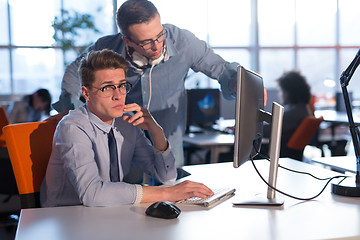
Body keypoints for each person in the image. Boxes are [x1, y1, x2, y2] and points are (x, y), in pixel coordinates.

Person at [52, 0, 239, 167]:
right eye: (146, 42)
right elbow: (74, 71)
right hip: (123, 137)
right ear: (127, 41)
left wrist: (239, 84)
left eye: (159, 35)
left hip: (169, 136)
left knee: (171, 190)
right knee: (126, 195)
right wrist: (74, 111)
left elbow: (220, 68)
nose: (157, 46)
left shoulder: (183, 42)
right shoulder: (107, 47)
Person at [40, 49, 214, 207]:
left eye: (122, 85)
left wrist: (156, 131)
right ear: (86, 93)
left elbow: (167, 177)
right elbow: (92, 194)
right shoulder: (73, 128)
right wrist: (166, 193)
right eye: (107, 88)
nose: (118, 95)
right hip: (68, 219)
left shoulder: (125, 123)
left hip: (109, 214)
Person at [262, 70, 312, 160]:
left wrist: (246, 128)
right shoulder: (302, 109)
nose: (280, 95)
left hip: (280, 156)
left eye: (281, 91)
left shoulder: (295, 113)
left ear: (289, 93)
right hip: (287, 155)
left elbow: (269, 130)